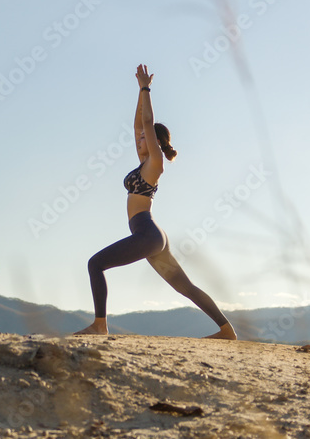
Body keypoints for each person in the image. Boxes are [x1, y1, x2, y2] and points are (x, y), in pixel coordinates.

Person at [75, 64, 236, 339]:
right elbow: (139, 123)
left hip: (147, 234)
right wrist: (139, 93)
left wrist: (146, 88)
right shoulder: (143, 163)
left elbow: (147, 124)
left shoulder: (155, 163)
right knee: (184, 286)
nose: (138, 138)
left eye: (143, 139)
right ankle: (227, 330)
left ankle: (100, 325)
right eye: (138, 138)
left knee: (95, 264)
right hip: (149, 234)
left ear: (156, 142)